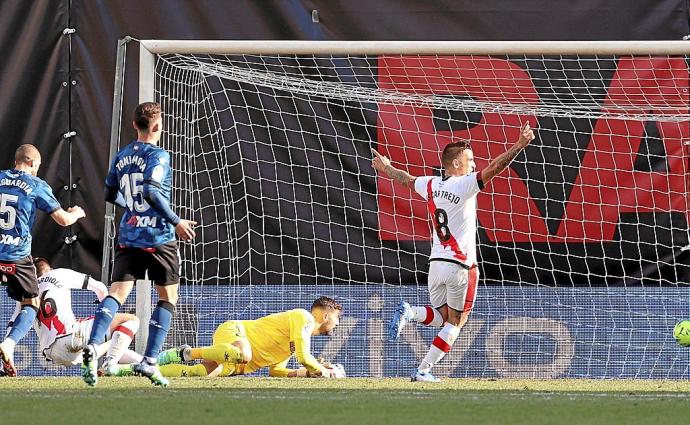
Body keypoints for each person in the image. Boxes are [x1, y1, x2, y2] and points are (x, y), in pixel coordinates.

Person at [373, 122, 535, 382]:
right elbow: (495, 167)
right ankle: (423, 370)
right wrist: (519, 145)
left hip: (436, 264)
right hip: (460, 266)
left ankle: (411, 312)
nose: (473, 165)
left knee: (442, 318)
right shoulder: (465, 185)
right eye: (469, 160)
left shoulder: (430, 185)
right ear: (456, 165)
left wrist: (385, 168)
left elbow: (405, 179)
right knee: (455, 323)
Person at [81, 102, 197, 387]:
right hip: (158, 237)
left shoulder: (121, 156)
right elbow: (150, 191)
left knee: (117, 293)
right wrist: (176, 221)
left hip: (129, 235)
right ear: (157, 126)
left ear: (134, 125)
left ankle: (95, 345)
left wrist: (133, 210)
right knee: (168, 298)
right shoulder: (159, 155)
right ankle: (149, 361)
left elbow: (110, 192)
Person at [0, 144, 86, 376]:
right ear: (32, 163)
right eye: (38, 166)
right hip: (17, 256)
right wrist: (77, 212)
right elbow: (63, 220)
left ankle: (4, 356)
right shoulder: (36, 185)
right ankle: (8, 345)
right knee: (30, 302)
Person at [149, 296, 344, 379]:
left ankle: (143, 370)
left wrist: (307, 373)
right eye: (337, 317)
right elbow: (304, 358)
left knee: (200, 373)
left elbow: (275, 371)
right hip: (236, 332)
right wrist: (321, 371)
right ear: (325, 316)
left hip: (237, 364)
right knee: (244, 353)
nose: (337, 323)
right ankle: (187, 353)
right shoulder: (304, 317)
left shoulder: (295, 339)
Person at [13, 257, 141, 372]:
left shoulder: (27, 292)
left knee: (114, 344)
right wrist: (105, 312)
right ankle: (110, 364)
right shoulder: (58, 273)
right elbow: (100, 287)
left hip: (51, 352)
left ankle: (143, 362)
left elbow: (14, 324)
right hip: (71, 335)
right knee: (130, 320)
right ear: (50, 269)